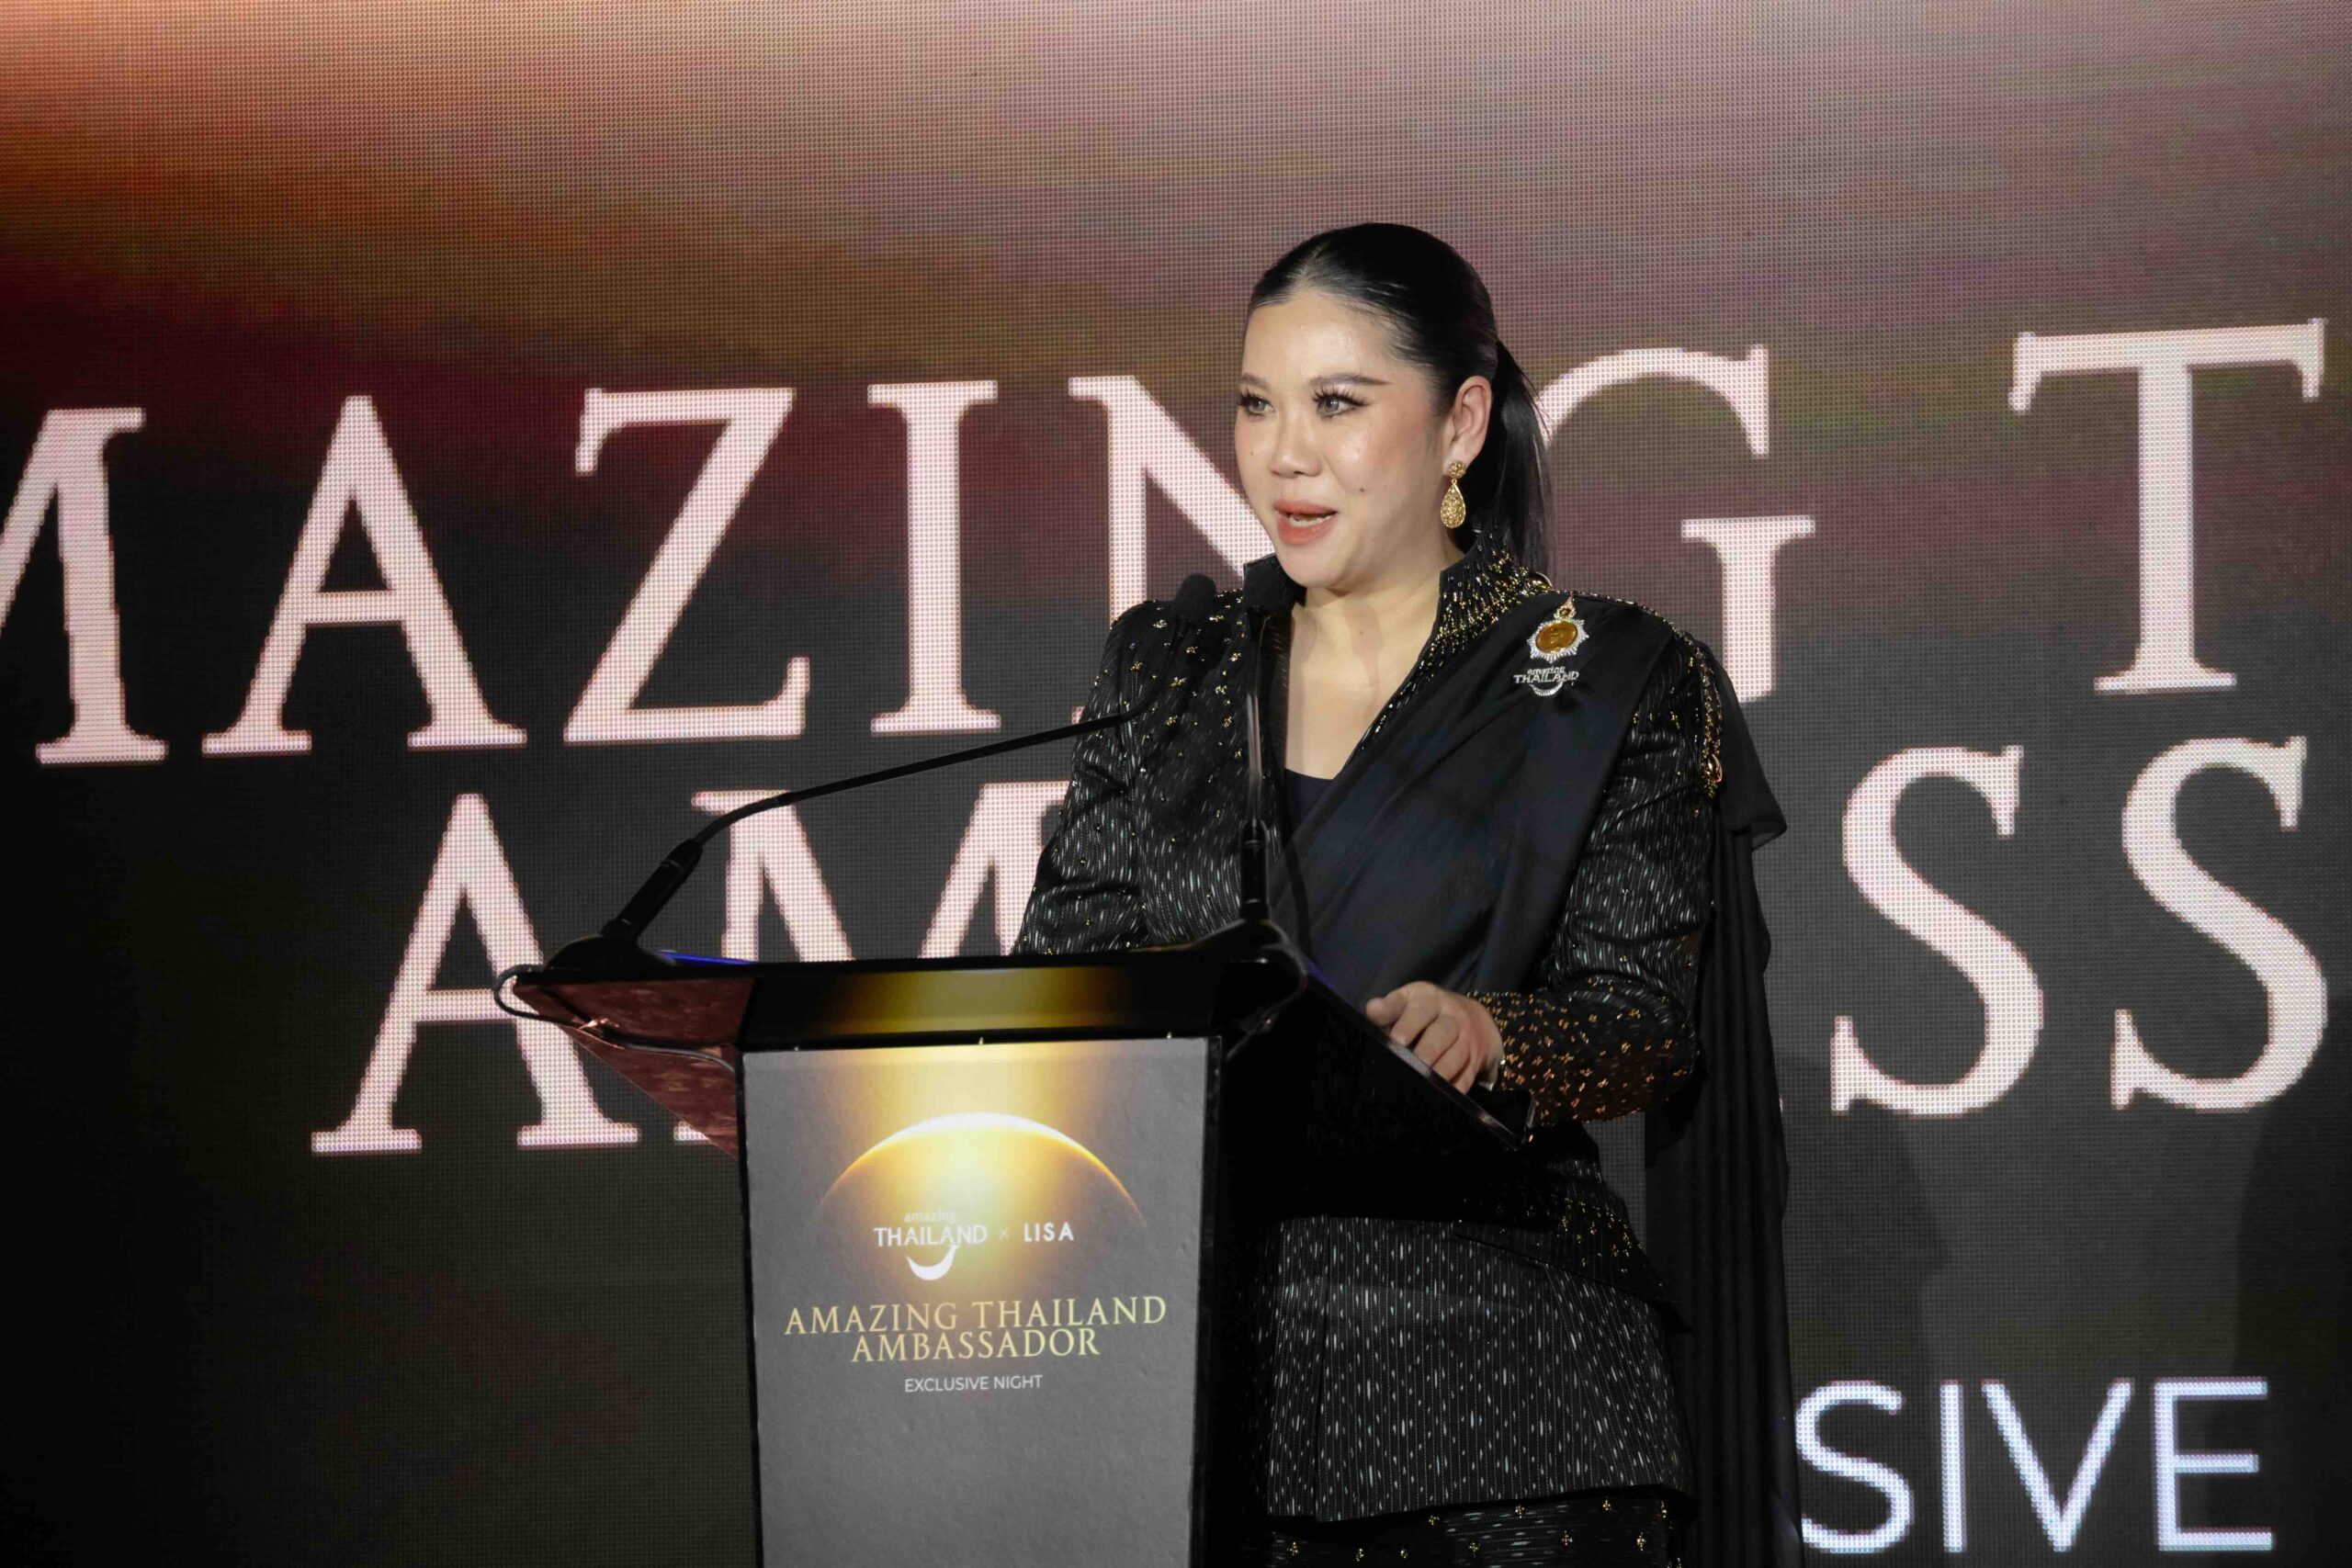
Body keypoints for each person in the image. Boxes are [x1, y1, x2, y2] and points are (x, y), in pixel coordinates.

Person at [1014, 223, 1799, 1568]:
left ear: (1461, 426)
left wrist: (1494, 1031)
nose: (1283, 455)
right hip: (1188, 1385)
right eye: (1255, 405)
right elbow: (1061, 990)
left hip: (1505, 1392)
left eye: (1336, 404)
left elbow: (1644, 1021)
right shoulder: (1172, 668)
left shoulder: (1605, 679)